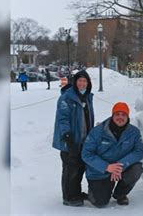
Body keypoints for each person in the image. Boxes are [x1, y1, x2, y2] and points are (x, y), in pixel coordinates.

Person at [82, 102, 143, 208]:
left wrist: (121, 164)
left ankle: (120, 194)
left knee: (137, 169)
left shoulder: (134, 132)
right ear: (112, 116)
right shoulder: (97, 132)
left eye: (123, 114)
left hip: (120, 167)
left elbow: (139, 152)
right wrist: (107, 167)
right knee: (100, 203)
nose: (120, 117)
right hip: (99, 171)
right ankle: (94, 192)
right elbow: (86, 154)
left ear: (128, 117)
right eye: (117, 114)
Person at [52, 70, 95, 206]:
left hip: (83, 140)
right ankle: (68, 196)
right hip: (69, 141)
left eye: (85, 81)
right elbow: (62, 118)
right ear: (75, 82)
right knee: (71, 168)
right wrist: (67, 135)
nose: (82, 84)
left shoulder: (87, 97)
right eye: (79, 81)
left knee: (80, 167)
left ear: (88, 83)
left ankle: (76, 192)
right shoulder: (67, 97)